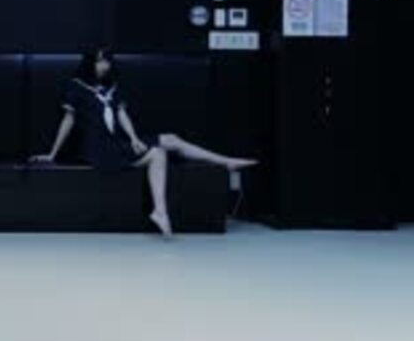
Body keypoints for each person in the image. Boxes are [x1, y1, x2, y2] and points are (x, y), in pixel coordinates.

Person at [30, 47, 257, 237]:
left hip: (117, 140)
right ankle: (160, 211)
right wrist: (52, 154)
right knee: (158, 154)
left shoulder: (112, 87)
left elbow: (122, 115)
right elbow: (68, 121)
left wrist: (134, 139)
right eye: (99, 61)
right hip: (98, 148)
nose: (104, 66)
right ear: (90, 62)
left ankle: (225, 162)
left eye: (107, 61)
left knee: (171, 139)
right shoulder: (76, 86)